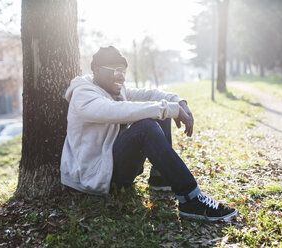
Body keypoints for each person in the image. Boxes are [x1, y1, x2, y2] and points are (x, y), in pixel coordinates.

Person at [60, 46, 237, 221]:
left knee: (158, 107)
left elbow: (150, 94)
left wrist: (178, 101)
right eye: (115, 70)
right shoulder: (83, 95)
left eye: (123, 71)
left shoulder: (115, 89)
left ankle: (160, 179)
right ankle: (191, 199)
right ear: (97, 70)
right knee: (148, 124)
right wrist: (168, 109)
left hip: (112, 164)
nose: (121, 76)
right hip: (95, 174)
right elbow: (116, 110)